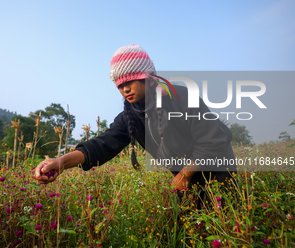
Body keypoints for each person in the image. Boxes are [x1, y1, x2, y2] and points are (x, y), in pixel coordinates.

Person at [34, 44, 237, 208]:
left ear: (148, 77)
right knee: (189, 231)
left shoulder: (182, 97)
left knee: (223, 228)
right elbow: (101, 145)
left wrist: (185, 174)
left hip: (217, 172)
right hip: (183, 179)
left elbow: (213, 142)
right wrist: (61, 162)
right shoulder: (129, 117)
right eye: (120, 85)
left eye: (130, 81)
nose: (125, 89)